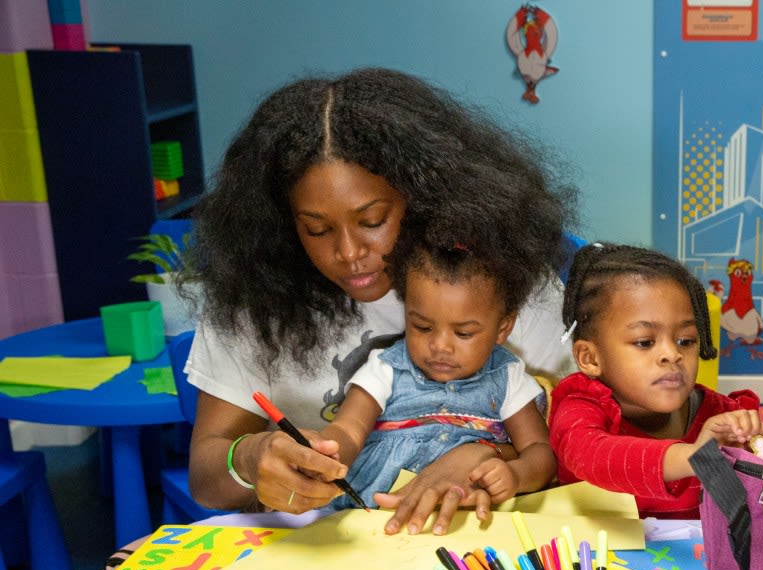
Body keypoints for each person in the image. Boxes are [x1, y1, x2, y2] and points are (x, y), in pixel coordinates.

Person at [182, 68, 574, 535]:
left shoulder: (499, 282)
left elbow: (584, 444)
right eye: (317, 229)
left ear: (422, 198)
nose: (348, 253)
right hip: (335, 544)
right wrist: (248, 458)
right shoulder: (256, 299)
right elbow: (206, 479)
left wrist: (485, 455)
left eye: (373, 220)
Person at [320, 235, 555, 528]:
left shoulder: (507, 377)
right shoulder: (386, 367)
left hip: (464, 520)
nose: (440, 346)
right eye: (422, 327)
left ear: (502, 328)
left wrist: (517, 475)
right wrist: (324, 451)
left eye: (464, 333)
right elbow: (348, 429)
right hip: (371, 516)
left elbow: (540, 450)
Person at [549, 243, 763, 519]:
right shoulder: (579, 409)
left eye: (685, 341)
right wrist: (695, 456)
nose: (672, 354)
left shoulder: (720, 416)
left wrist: (757, 457)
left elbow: (748, 508)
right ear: (590, 358)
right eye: (645, 342)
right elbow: (593, 455)